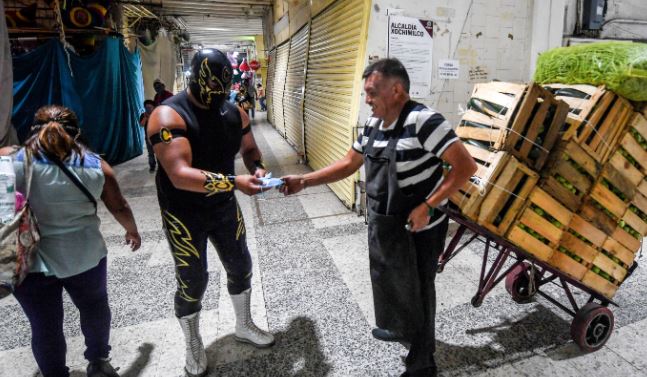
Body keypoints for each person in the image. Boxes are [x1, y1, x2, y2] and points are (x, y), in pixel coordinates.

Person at [280, 58, 477, 377]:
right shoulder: (373, 124)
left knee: (420, 287)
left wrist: (428, 205)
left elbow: (465, 168)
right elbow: (348, 164)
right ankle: (400, 327)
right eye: (366, 93)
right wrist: (304, 180)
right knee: (388, 278)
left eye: (372, 92)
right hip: (384, 222)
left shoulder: (425, 121)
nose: (367, 99)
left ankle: (423, 361)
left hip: (421, 227)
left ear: (397, 90)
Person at [147, 48, 274, 377]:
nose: (217, 99)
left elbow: (249, 150)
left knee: (241, 264)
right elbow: (179, 175)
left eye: (222, 92)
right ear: (194, 81)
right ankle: (192, 342)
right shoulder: (167, 116)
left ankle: (244, 324)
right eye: (210, 92)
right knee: (193, 280)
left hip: (223, 208)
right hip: (183, 212)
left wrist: (258, 168)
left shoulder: (234, 112)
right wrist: (235, 182)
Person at [2, 105, 141, 377]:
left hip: (30, 264)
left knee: (44, 326)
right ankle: (98, 362)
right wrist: (132, 231)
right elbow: (120, 206)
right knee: (95, 308)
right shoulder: (96, 165)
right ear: (77, 133)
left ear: (33, 131)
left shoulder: (9, 160)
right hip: (85, 257)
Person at [139, 99, 157, 172]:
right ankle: (152, 166)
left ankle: (162, 167)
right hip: (148, 137)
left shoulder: (157, 114)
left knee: (160, 153)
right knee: (151, 153)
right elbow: (141, 125)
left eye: (150, 107)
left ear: (154, 107)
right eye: (146, 108)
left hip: (158, 136)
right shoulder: (143, 115)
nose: (148, 109)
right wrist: (146, 118)